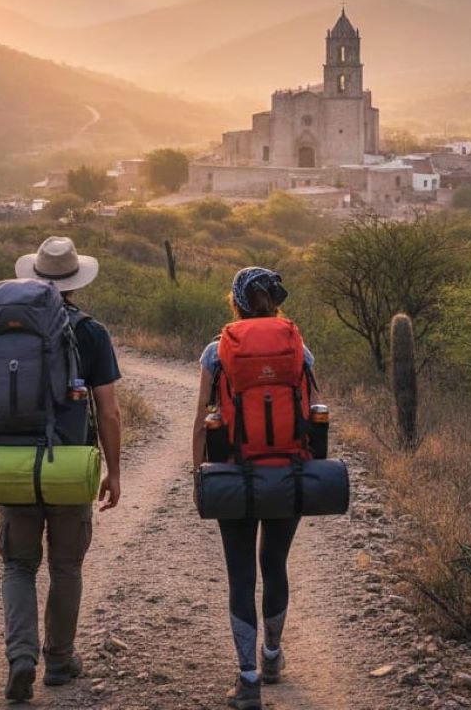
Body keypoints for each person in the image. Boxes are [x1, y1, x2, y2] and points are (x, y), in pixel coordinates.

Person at [0, 236, 122, 703]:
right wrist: (113, 471)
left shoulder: (5, 326)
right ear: (75, 282)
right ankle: (59, 660)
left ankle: (21, 657)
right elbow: (108, 411)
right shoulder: (91, 332)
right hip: (69, 464)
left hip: (12, 462)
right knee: (66, 564)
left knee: (18, 564)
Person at [191, 267, 315, 710]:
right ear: (275, 302)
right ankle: (274, 656)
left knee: (241, 573)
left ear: (235, 303)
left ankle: (247, 680)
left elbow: (204, 420)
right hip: (288, 471)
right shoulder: (300, 348)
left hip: (233, 474)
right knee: (275, 562)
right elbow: (313, 415)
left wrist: (198, 474)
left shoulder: (214, 352)